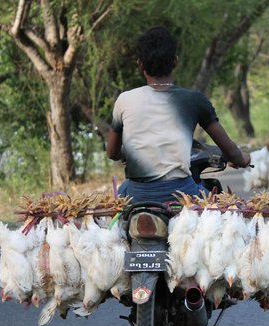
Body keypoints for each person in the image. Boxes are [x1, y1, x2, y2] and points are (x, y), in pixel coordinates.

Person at [106, 26, 251, 203]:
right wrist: (242, 158)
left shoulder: (124, 100)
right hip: (183, 192)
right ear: (175, 62)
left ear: (140, 64)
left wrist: (128, 154)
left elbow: (112, 153)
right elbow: (229, 150)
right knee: (218, 200)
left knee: (120, 197)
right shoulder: (194, 100)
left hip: (137, 194)